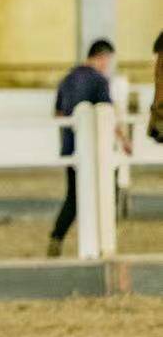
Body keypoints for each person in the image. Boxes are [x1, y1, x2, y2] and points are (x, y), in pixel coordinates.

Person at [48, 39, 130, 257]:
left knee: (73, 197)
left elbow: (57, 114)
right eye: (108, 61)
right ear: (102, 57)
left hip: (70, 149)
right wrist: (124, 140)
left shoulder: (66, 80)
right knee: (106, 194)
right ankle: (106, 239)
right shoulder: (99, 81)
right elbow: (107, 115)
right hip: (96, 153)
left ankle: (56, 238)